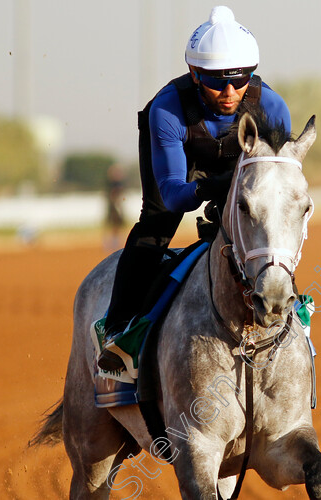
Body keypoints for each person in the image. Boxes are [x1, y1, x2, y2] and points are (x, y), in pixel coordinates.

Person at [98, 6, 291, 371]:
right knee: (156, 227)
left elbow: (276, 186)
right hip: (182, 167)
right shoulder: (167, 109)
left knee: (271, 226)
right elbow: (173, 193)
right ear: (194, 73)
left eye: (241, 78)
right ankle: (118, 332)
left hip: (238, 162)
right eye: (216, 81)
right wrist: (214, 186)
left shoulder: (273, 106)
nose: (230, 92)